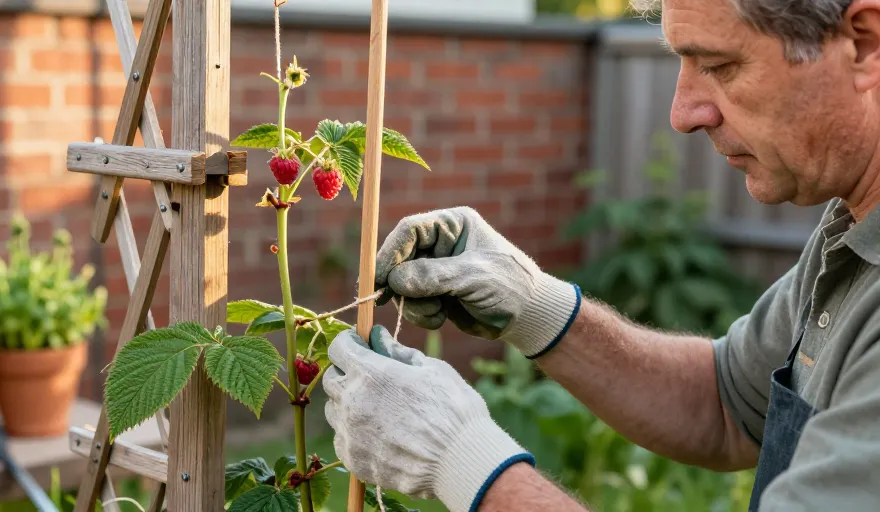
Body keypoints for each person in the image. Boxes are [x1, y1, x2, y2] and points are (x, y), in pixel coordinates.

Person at [321, 0, 880, 510]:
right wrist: (538, 306)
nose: (683, 113)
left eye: (720, 65)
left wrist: (463, 462)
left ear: (864, 42)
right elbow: (728, 403)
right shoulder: (852, 234)